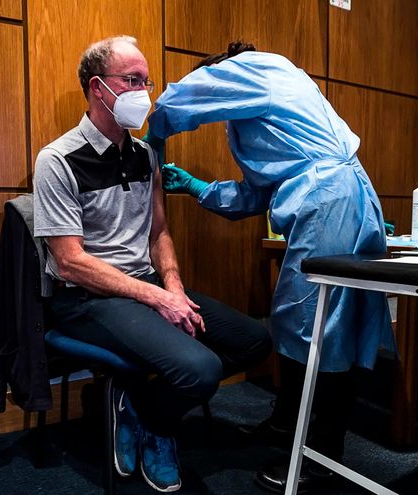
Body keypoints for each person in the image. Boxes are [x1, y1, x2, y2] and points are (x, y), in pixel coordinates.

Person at [145, 41, 395, 493]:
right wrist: (198, 187)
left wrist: (157, 137)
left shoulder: (256, 67)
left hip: (328, 200)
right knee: (305, 321)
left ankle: (321, 454)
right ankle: (286, 426)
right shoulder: (273, 105)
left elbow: (176, 100)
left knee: (319, 327)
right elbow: (261, 193)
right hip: (336, 195)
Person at [33, 36, 272, 493]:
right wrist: (156, 297)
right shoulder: (58, 160)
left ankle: (140, 407)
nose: (145, 91)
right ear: (98, 88)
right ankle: (160, 427)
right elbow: (70, 263)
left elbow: (158, 233)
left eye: (146, 79)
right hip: (87, 298)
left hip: (146, 285)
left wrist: (174, 286)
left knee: (254, 342)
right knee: (200, 370)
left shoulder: (146, 156)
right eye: (132, 80)